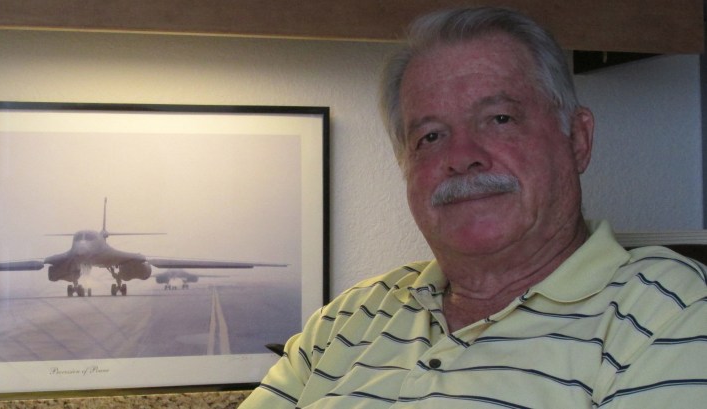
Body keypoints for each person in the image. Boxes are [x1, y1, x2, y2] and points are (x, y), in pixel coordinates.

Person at [240, 6, 707, 408]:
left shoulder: (670, 316)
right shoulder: (347, 319)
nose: (462, 157)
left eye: (499, 119)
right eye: (431, 136)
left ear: (578, 139)